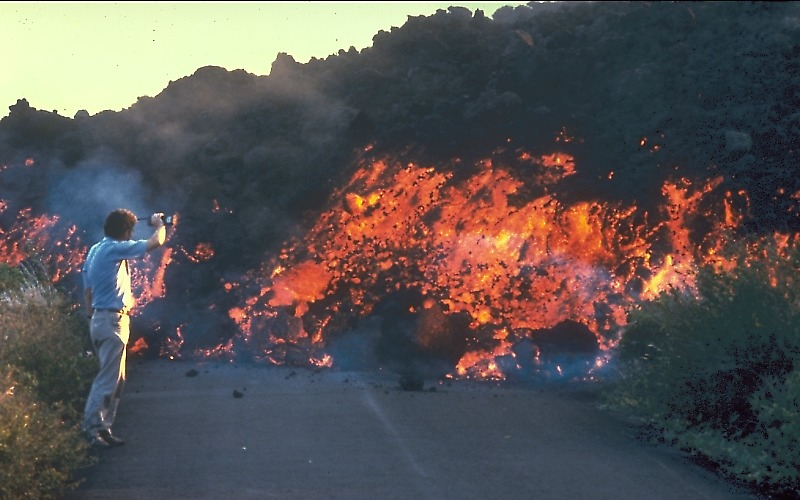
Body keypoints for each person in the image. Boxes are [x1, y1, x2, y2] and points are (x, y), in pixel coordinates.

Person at [81, 209, 167, 447]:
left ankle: (104, 428)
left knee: (116, 379)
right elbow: (155, 242)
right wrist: (160, 224)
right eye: (131, 231)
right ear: (126, 231)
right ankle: (91, 429)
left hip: (102, 319)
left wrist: (92, 319)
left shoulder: (95, 250)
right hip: (111, 321)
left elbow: (87, 291)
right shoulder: (113, 249)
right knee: (107, 379)